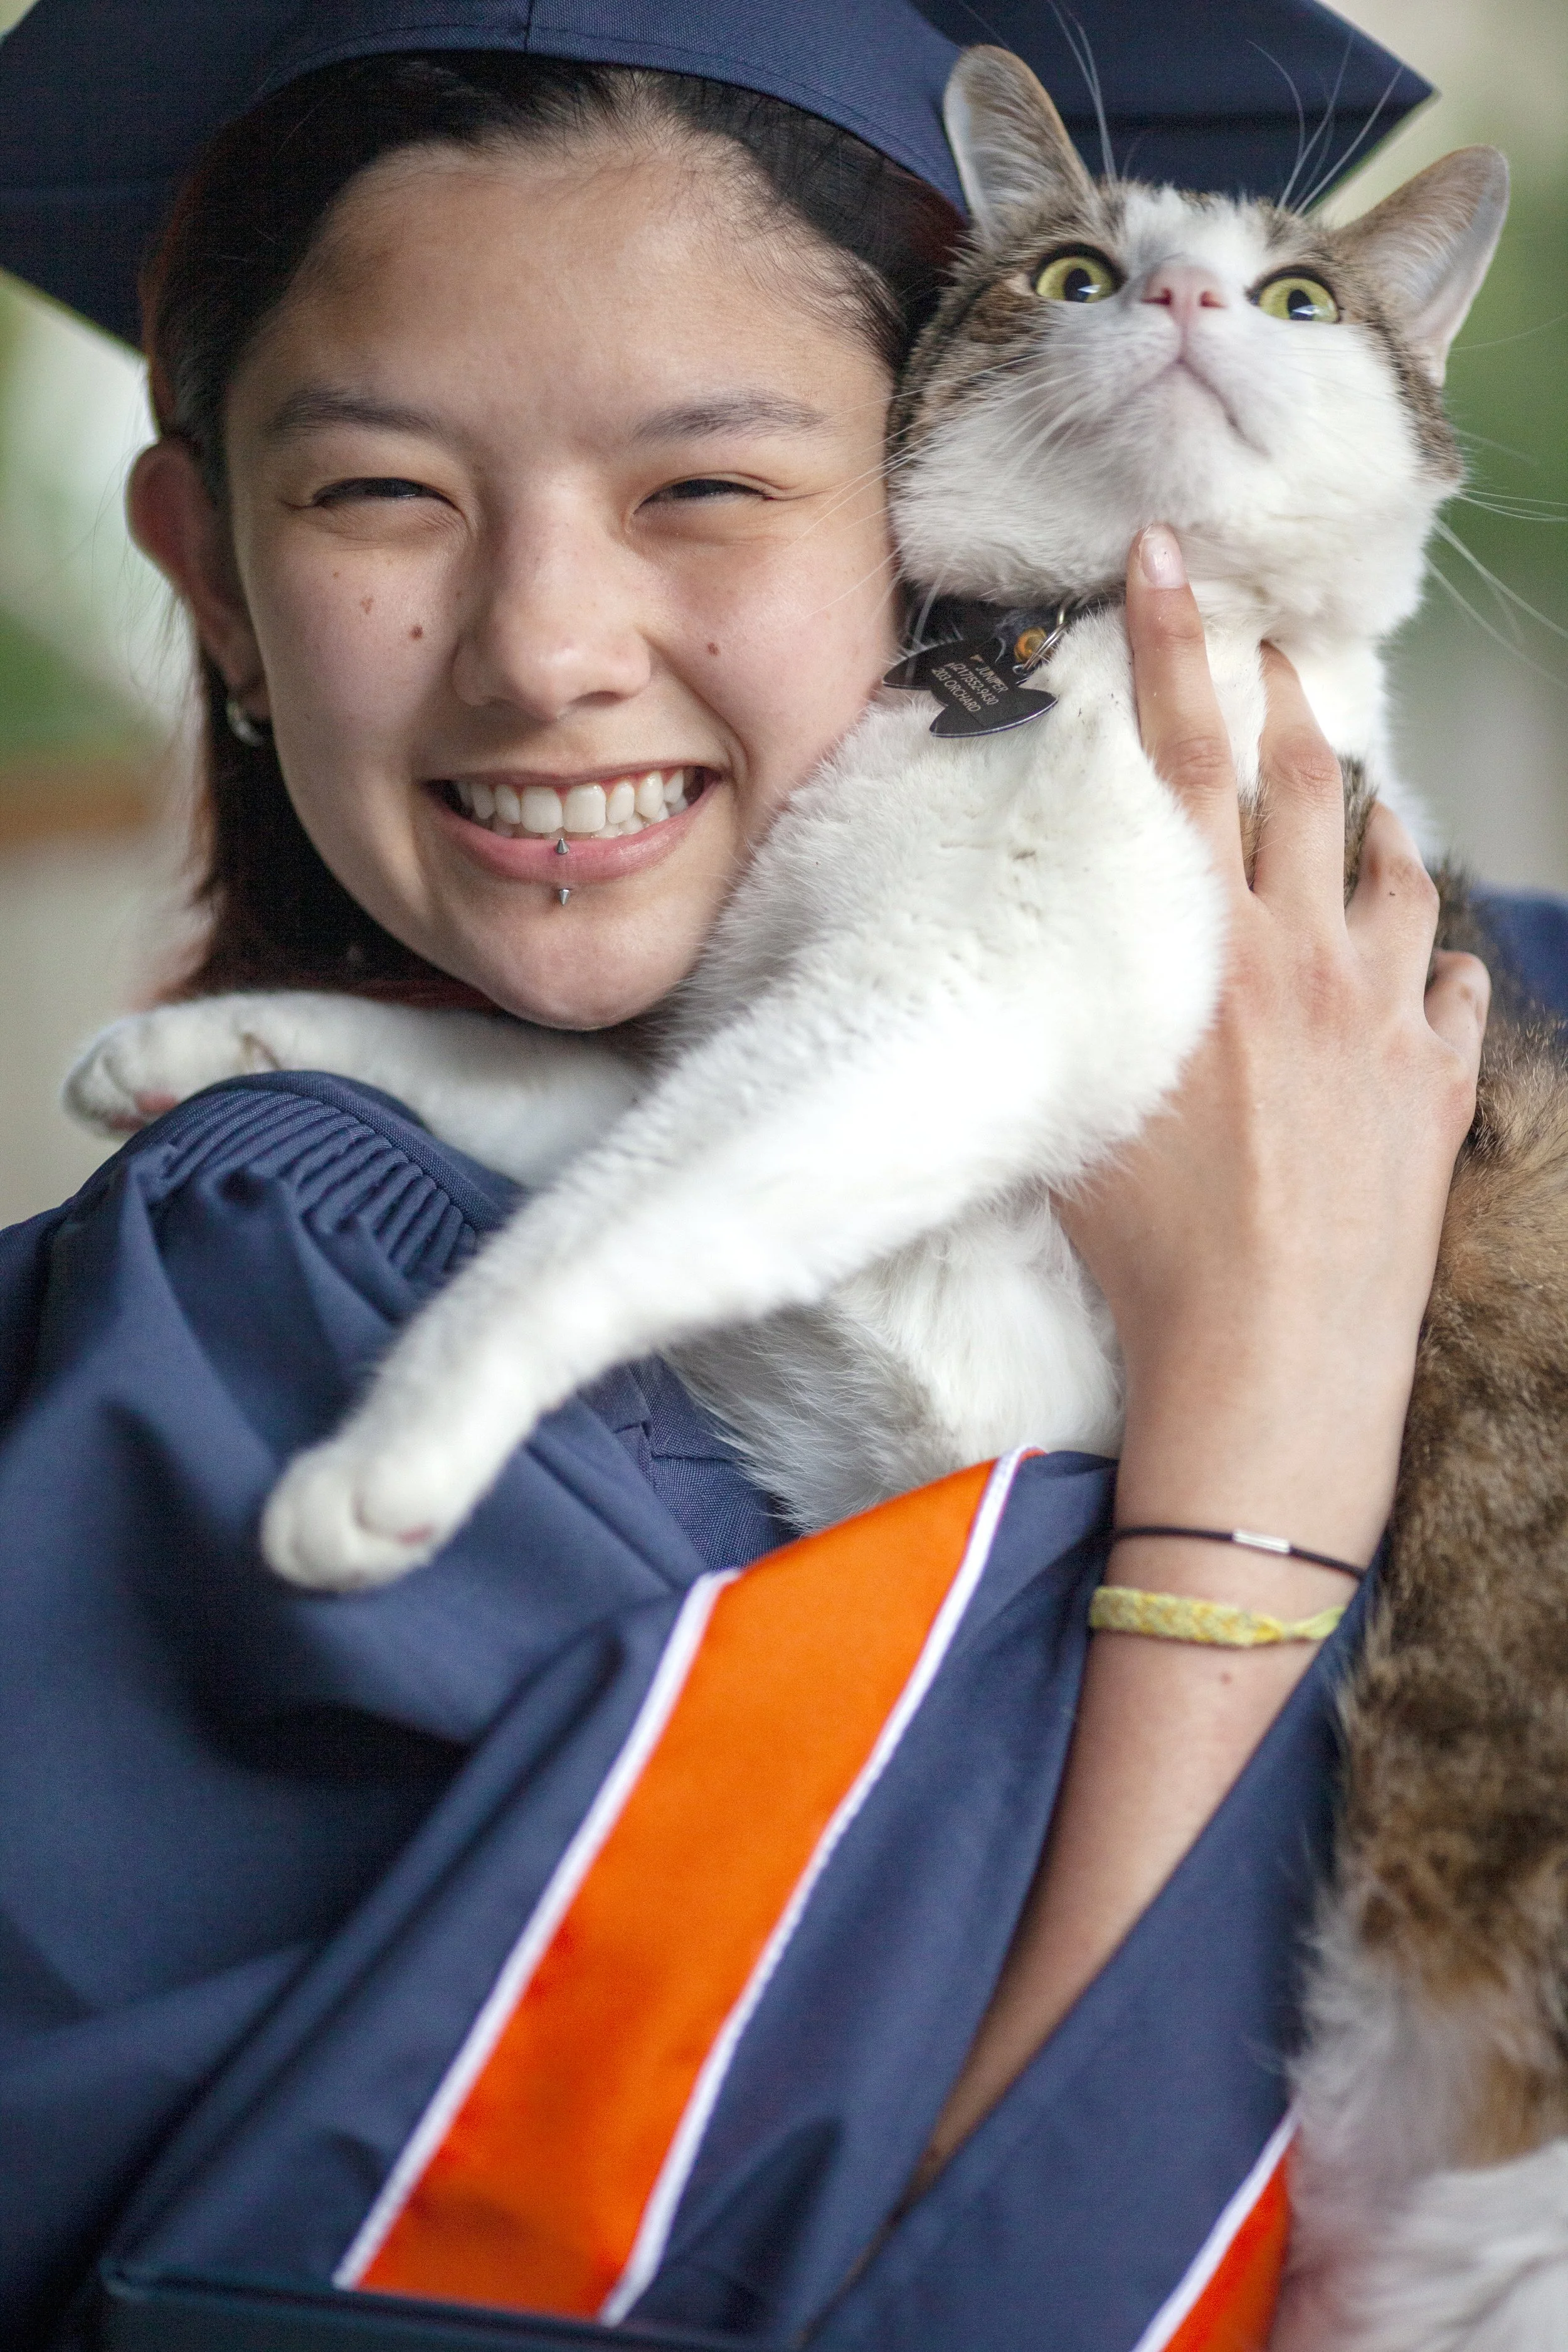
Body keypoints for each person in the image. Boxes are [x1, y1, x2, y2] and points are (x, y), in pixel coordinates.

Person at [0, 4, 1556, 2348]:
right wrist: (1261, 1421)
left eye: (712, 488)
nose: (547, 656)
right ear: (209, 573)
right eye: (377, 495)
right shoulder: (194, 1370)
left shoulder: (1474, 1013)